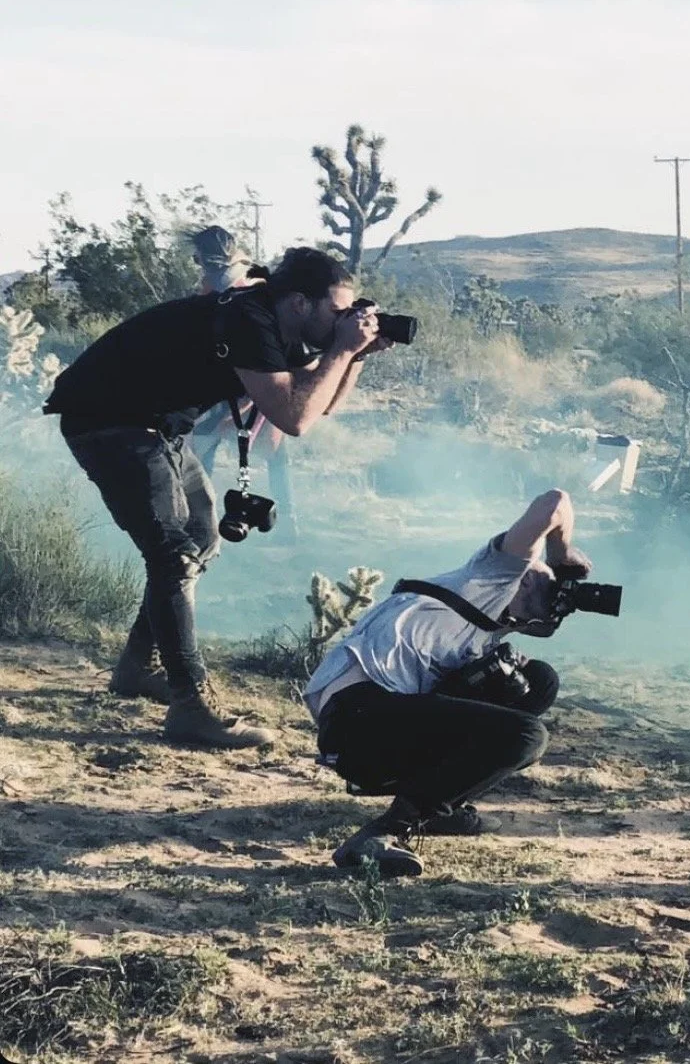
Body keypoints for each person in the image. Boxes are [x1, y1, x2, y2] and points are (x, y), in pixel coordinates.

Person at [44, 246, 393, 748]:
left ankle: (139, 668)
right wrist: (339, 350)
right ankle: (191, 705)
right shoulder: (249, 320)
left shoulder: (277, 327)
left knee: (201, 536)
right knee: (172, 554)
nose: (344, 320)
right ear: (299, 302)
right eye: (337, 311)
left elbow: (318, 408)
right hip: (109, 422)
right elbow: (291, 419)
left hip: (155, 427)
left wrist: (352, 356)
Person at [302, 489, 591, 878]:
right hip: (357, 717)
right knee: (527, 736)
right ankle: (383, 833)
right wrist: (561, 556)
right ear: (523, 580)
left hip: (380, 726)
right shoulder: (495, 575)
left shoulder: (484, 631)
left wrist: (557, 607)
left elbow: (540, 636)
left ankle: (437, 808)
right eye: (549, 586)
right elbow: (554, 504)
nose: (554, 595)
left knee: (537, 681)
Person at [190, 228, 300, 536]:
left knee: (205, 456)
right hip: (233, 384)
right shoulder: (245, 281)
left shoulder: (230, 284)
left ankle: (206, 526)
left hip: (243, 383)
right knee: (205, 457)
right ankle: (208, 527)